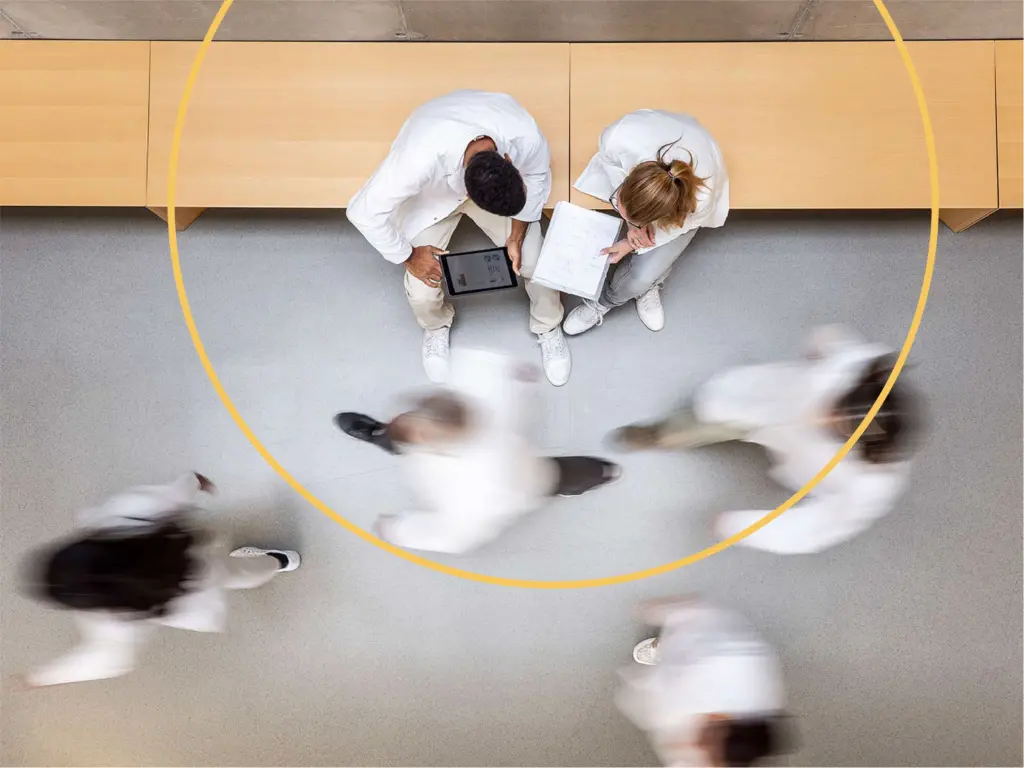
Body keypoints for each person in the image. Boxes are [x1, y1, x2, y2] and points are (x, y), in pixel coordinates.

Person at [610, 325, 922, 554]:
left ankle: (668, 435)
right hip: (757, 403)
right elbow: (830, 340)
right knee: (694, 423)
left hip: (787, 445)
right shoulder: (853, 367)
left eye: (839, 428)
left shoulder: (868, 485)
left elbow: (817, 527)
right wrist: (818, 345)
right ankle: (660, 436)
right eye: (836, 408)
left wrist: (744, 528)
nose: (827, 418)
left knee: (740, 428)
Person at [347, 90, 571, 386]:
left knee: (537, 261)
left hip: (481, 173)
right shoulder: (417, 160)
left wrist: (516, 236)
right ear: (465, 190)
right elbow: (362, 211)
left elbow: (537, 177)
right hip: (433, 196)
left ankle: (548, 324)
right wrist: (408, 256)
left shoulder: (524, 135)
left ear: (508, 160)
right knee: (422, 289)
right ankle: (435, 326)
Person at [20, 473, 300, 686]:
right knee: (235, 569)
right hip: (188, 551)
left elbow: (105, 660)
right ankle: (278, 560)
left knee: (238, 575)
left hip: (191, 588)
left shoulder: (115, 616)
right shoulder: (115, 519)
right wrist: (192, 481)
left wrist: (43, 677)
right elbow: (166, 497)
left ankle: (278, 563)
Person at [334, 349, 620, 554]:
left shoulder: (482, 486)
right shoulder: (470, 397)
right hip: (447, 450)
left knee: (555, 477)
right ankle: (379, 435)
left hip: (527, 476)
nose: (408, 424)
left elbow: (455, 533)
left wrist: (401, 530)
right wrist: (517, 375)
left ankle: (597, 473)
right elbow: (489, 370)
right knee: (396, 437)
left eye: (418, 431)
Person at [565, 110, 729, 336]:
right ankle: (643, 282)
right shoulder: (618, 138)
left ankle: (612, 300)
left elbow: (682, 225)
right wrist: (632, 227)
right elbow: (607, 161)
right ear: (631, 175)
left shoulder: (700, 201)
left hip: (700, 162)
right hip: (662, 130)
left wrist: (631, 244)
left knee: (642, 277)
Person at [616, 596, 791, 767]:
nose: (698, 746)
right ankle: (662, 646)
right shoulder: (716, 668)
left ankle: (664, 646)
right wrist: (662, 610)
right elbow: (639, 694)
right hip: (694, 648)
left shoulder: (757, 694)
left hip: (697, 650)